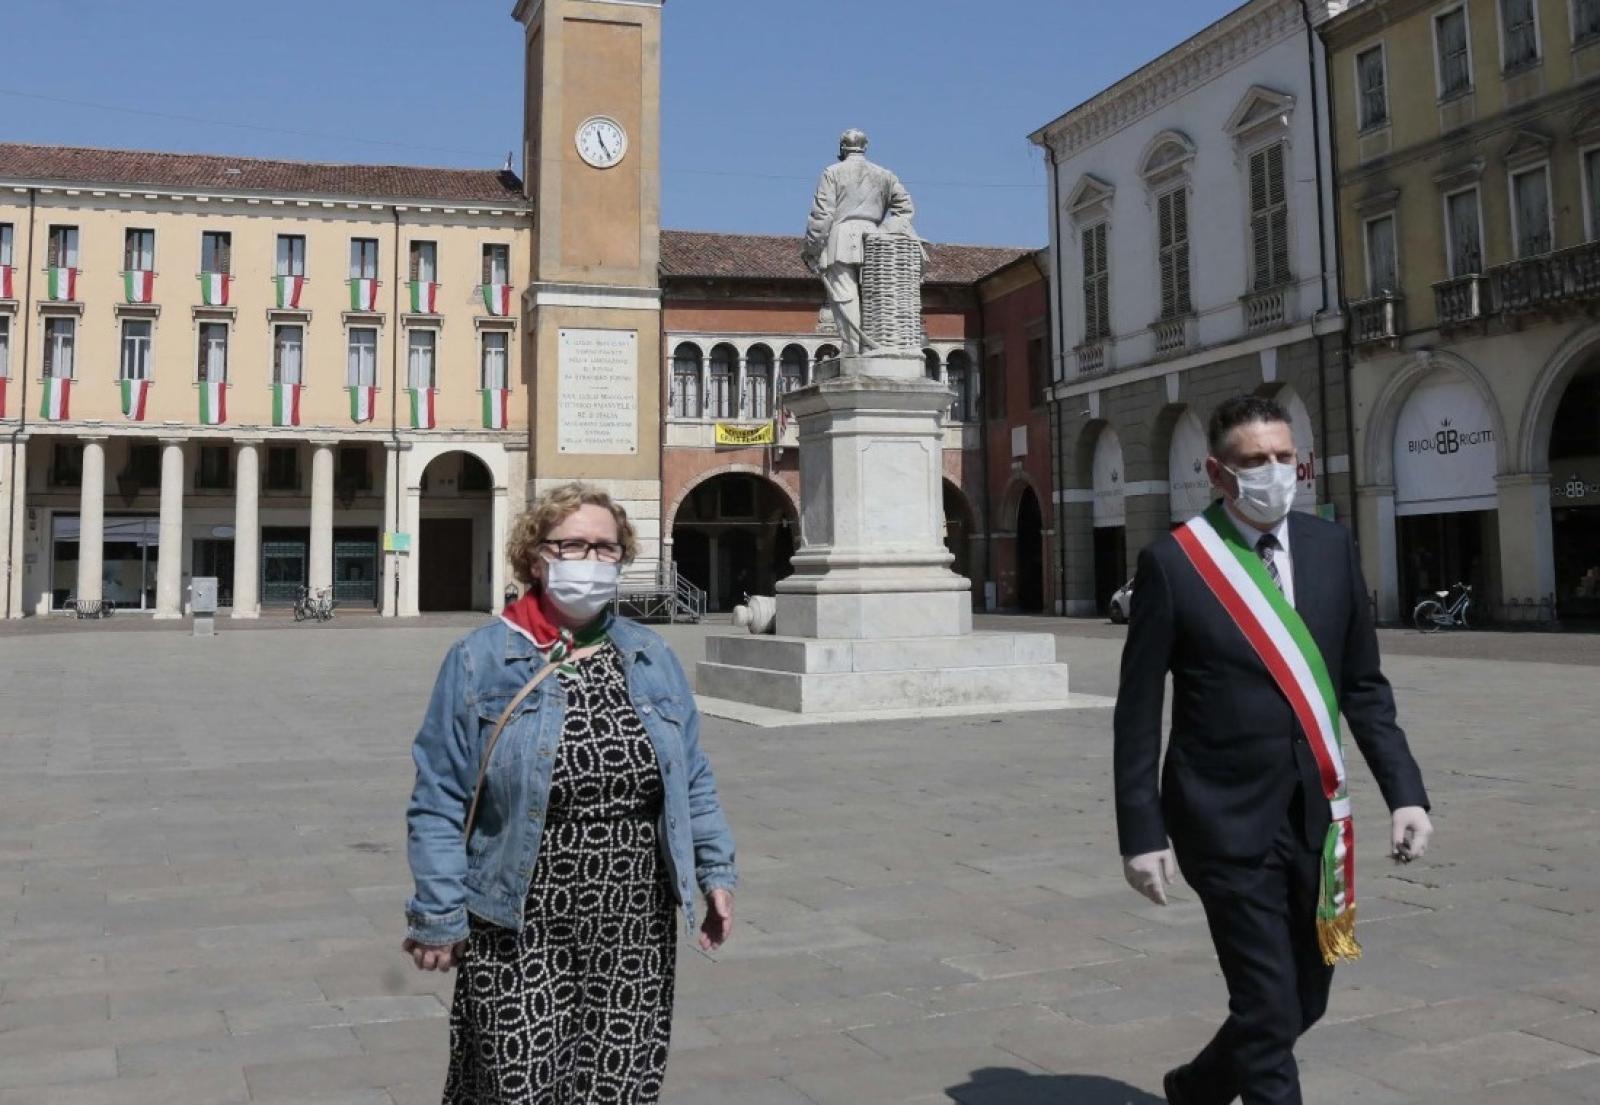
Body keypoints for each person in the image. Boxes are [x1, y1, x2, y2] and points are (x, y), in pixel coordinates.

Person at [1113, 396, 1433, 1105]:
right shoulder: (1175, 562)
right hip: (1220, 821)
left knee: (1303, 1003)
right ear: (1216, 471)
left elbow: (1363, 685)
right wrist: (1142, 833)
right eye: (1255, 460)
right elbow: (1138, 713)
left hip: (1319, 821)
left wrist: (1404, 791)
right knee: (1266, 1005)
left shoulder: (1329, 547)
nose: (1274, 472)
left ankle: (1197, 1087)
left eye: (1284, 457)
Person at [403, 481, 737, 1105]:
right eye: (573, 545)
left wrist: (714, 871)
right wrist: (439, 914)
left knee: (621, 1084)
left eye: (606, 549)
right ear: (537, 556)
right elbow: (439, 798)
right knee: (518, 1083)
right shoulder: (481, 659)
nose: (591, 561)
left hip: (635, 918)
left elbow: (690, 775)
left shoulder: (650, 656)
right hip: (517, 917)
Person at [802, 128, 917, 353]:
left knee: (845, 295)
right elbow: (905, 208)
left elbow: (823, 215)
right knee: (875, 294)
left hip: (841, 239)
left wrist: (812, 248)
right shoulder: (885, 175)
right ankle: (872, 347)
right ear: (865, 147)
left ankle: (851, 349)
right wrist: (887, 230)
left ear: (842, 148)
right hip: (876, 239)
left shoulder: (832, 172)